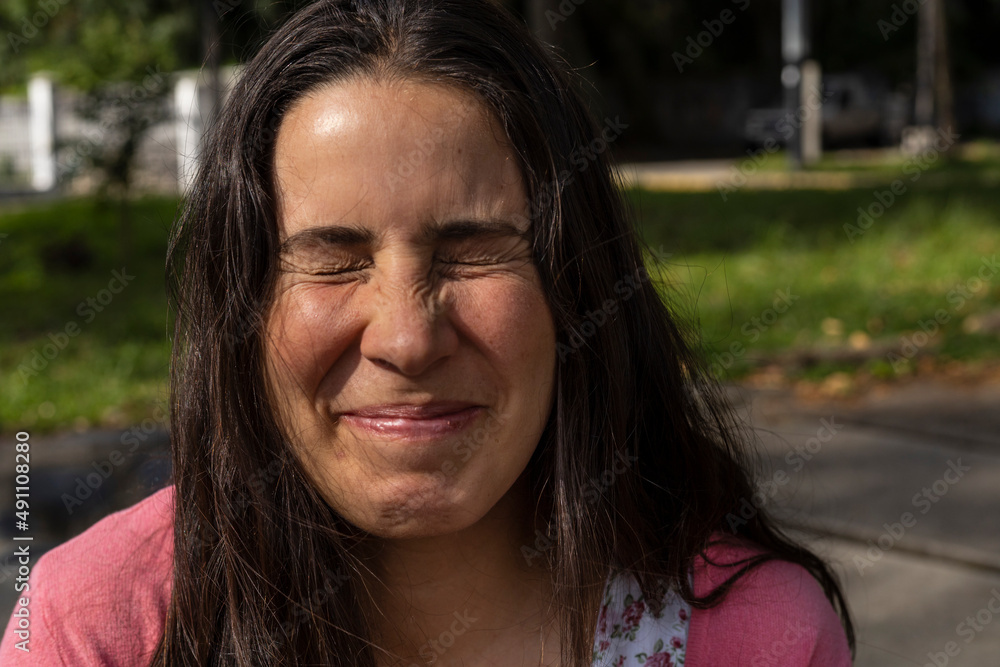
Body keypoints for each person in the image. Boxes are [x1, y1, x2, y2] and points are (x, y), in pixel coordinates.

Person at [1, 1, 854, 665]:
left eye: (473, 252)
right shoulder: (94, 627)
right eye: (333, 260)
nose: (407, 338)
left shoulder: (755, 638)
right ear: (243, 312)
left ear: (579, 289)